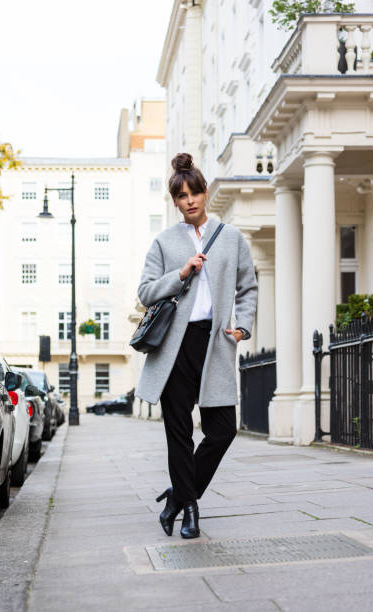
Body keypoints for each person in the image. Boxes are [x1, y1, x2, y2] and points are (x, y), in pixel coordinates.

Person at [136, 152, 258, 539]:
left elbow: (248, 287)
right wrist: (181, 272)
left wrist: (242, 328)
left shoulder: (232, 237)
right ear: (174, 201)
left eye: (194, 193)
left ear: (206, 194)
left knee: (222, 429)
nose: (189, 200)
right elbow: (145, 292)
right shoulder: (164, 241)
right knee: (179, 432)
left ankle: (177, 495)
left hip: (215, 342)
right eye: (181, 196)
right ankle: (189, 510)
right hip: (174, 347)